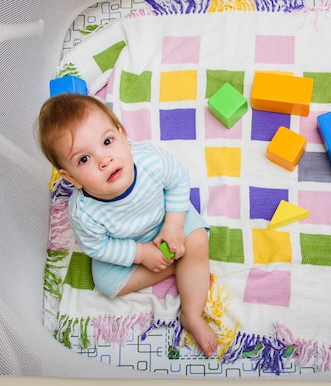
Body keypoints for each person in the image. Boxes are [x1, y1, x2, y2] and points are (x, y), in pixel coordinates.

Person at [37, 94, 217, 357]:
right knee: (107, 283)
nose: (104, 160)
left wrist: (174, 226)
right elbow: (98, 247)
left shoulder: (150, 161)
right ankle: (178, 263)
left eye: (108, 142)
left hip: (165, 217)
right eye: (84, 160)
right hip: (126, 243)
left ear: (123, 136)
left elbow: (178, 182)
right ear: (70, 177)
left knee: (198, 240)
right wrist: (142, 254)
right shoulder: (84, 212)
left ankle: (191, 315)